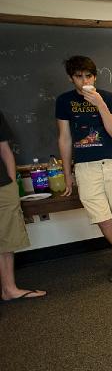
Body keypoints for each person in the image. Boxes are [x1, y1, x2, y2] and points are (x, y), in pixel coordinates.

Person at [56, 55, 112, 282]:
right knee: (101, 218)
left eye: (88, 76)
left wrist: (100, 104)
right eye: (79, 76)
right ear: (71, 78)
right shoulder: (64, 101)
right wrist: (67, 175)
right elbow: (65, 139)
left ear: (94, 76)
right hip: (85, 167)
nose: (84, 80)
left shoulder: (108, 97)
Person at [0, 113, 46, 303]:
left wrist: (11, 184)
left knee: (7, 237)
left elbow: (4, 149)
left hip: (2, 185)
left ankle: (9, 289)